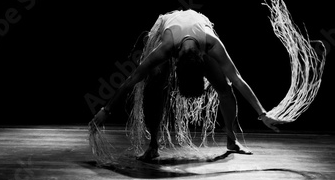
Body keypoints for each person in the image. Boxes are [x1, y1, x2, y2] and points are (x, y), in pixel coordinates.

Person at [92, 9, 282, 161]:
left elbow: (238, 79)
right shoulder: (165, 48)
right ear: (175, 62)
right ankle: (153, 147)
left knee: (225, 88)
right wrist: (105, 110)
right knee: (154, 87)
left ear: (202, 56)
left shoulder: (211, 43)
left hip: (197, 27)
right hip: (169, 26)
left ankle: (232, 141)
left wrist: (262, 114)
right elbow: (132, 79)